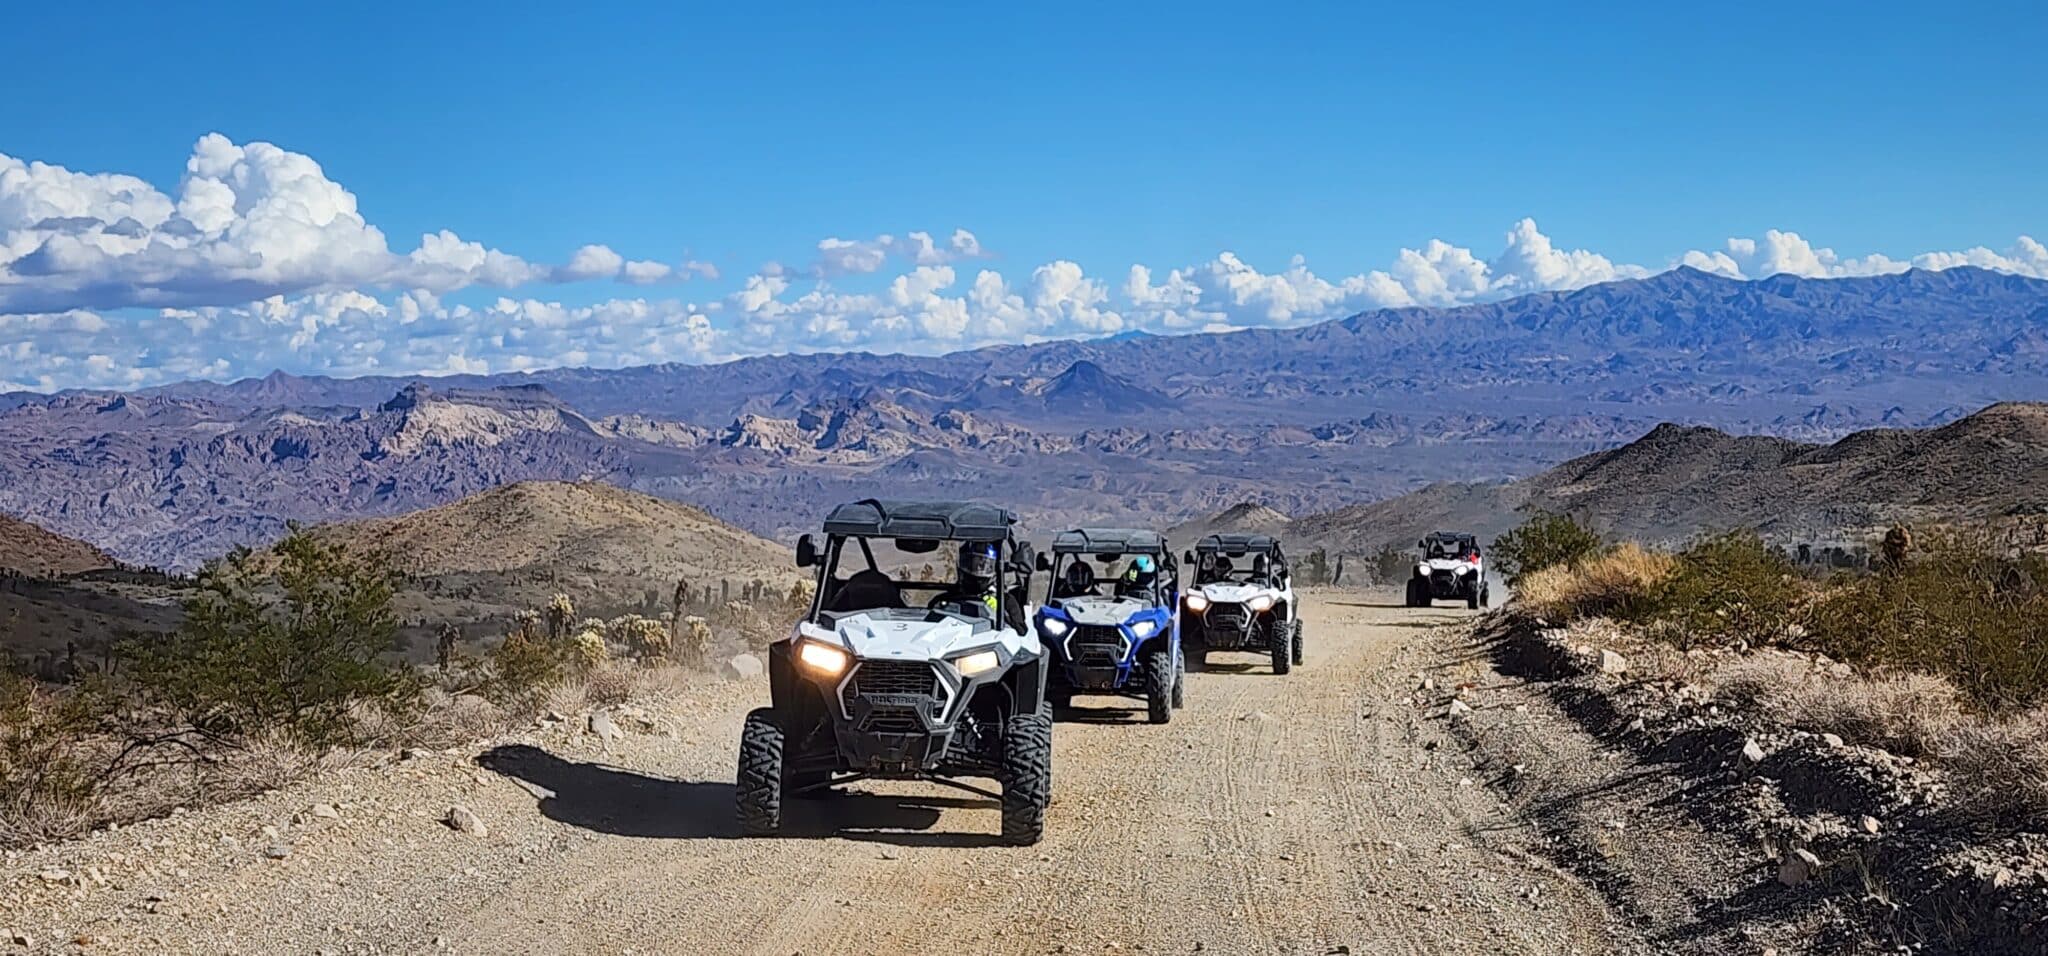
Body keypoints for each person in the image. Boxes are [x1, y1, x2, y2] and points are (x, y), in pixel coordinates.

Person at [932, 541, 1001, 619]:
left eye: (984, 565)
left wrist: (998, 611)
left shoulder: (1004, 600)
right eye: (973, 564)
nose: (978, 569)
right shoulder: (944, 599)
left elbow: (1015, 627)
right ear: (962, 563)